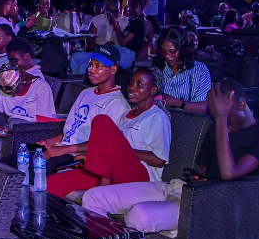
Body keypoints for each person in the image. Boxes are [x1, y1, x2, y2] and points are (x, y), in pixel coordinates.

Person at [75, 79, 259, 239]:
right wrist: (199, 174)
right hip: (179, 187)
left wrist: (221, 119)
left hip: (207, 203)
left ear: (242, 105)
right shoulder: (217, 129)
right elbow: (203, 168)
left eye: (223, 114)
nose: (221, 121)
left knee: (138, 215)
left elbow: (229, 173)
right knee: (93, 198)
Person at [44, 65, 171, 199]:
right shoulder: (125, 116)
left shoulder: (157, 116)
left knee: (102, 121)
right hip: (115, 171)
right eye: (131, 83)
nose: (132, 88)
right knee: (53, 183)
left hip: (141, 176)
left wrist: (122, 152)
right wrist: (93, 157)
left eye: (139, 85)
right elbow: (108, 147)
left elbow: (159, 160)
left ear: (153, 90)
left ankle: (103, 185)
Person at [38, 45, 131, 160]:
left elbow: (104, 143)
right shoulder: (86, 93)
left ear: (113, 70)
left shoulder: (116, 104)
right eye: (91, 65)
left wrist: (63, 150)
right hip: (63, 149)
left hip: (81, 158)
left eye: (98, 66)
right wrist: (49, 142)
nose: (91, 70)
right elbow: (72, 132)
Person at [0, 61, 58, 126]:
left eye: (15, 91)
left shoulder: (40, 87)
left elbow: (45, 122)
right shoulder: (2, 88)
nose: (13, 95)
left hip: (33, 130)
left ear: (22, 82)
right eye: (8, 93)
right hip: (10, 127)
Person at [155, 27, 211, 113]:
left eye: (172, 51)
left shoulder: (199, 70)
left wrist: (177, 103)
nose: (167, 56)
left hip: (188, 120)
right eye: (163, 51)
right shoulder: (157, 68)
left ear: (182, 49)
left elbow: (202, 108)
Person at [70, 0, 128, 74]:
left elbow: (125, 43)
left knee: (83, 66)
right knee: (74, 57)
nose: (113, 15)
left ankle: (85, 80)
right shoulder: (97, 20)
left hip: (115, 54)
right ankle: (76, 80)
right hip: (98, 52)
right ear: (105, 10)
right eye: (110, 12)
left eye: (116, 11)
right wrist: (103, 47)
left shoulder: (125, 21)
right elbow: (89, 44)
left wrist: (115, 25)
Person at [108, 0, 150, 67]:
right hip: (124, 53)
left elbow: (123, 42)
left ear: (134, 4)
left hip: (126, 56)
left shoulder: (138, 23)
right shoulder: (140, 20)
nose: (128, 7)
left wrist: (115, 26)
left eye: (129, 3)